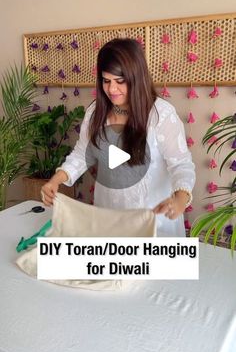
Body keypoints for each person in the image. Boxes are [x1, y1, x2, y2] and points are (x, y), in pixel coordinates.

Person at [41, 38, 196, 237]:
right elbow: (82, 154)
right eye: (106, 81)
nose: (112, 89)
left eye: (120, 81)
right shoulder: (95, 112)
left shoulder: (161, 115)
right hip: (109, 218)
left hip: (154, 222)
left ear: (136, 77)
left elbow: (181, 165)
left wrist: (181, 198)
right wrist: (57, 180)